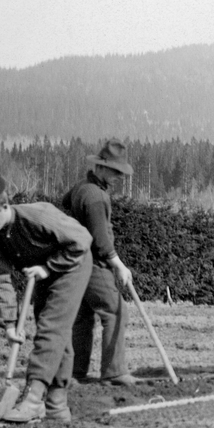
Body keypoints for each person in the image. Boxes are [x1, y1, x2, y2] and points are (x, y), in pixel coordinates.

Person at [0, 175, 93, 423]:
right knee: (57, 336)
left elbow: (82, 240)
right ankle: (56, 406)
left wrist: (49, 267)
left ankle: (33, 400)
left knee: (51, 329)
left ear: (4, 206)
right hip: (42, 273)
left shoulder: (38, 215)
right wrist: (9, 324)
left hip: (72, 266)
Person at [62, 140, 137, 386]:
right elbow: (102, 241)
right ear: (101, 168)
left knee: (82, 317)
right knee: (116, 311)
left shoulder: (81, 187)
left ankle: (75, 372)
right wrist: (120, 266)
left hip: (74, 262)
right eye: (115, 171)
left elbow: (65, 204)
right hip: (93, 263)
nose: (118, 177)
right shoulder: (95, 196)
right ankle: (114, 372)